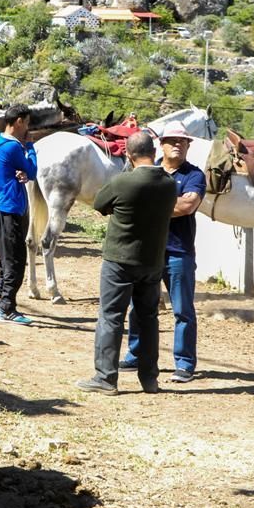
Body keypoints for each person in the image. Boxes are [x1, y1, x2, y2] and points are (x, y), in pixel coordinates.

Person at [75, 131, 177, 395]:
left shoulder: (123, 181)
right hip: (152, 262)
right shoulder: (169, 184)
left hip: (119, 261)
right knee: (148, 319)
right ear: (154, 153)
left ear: (129, 156)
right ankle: (150, 379)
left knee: (111, 317)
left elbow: (99, 203)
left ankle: (106, 378)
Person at [120, 121, 206, 383]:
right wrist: (166, 204)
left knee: (182, 310)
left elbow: (188, 205)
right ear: (161, 144)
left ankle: (184, 363)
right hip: (148, 251)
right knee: (140, 307)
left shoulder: (195, 175)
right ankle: (135, 354)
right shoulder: (150, 170)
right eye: (171, 140)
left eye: (182, 141)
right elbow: (131, 198)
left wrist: (149, 207)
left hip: (178, 252)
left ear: (189, 145)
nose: (177, 144)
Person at [0, 104, 37, 325]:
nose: (27, 127)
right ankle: (7, 308)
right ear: (19, 121)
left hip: (0, 206)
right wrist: (31, 148)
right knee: (16, 260)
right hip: (11, 208)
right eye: (26, 123)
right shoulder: (14, 147)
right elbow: (33, 171)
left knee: (4, 258)